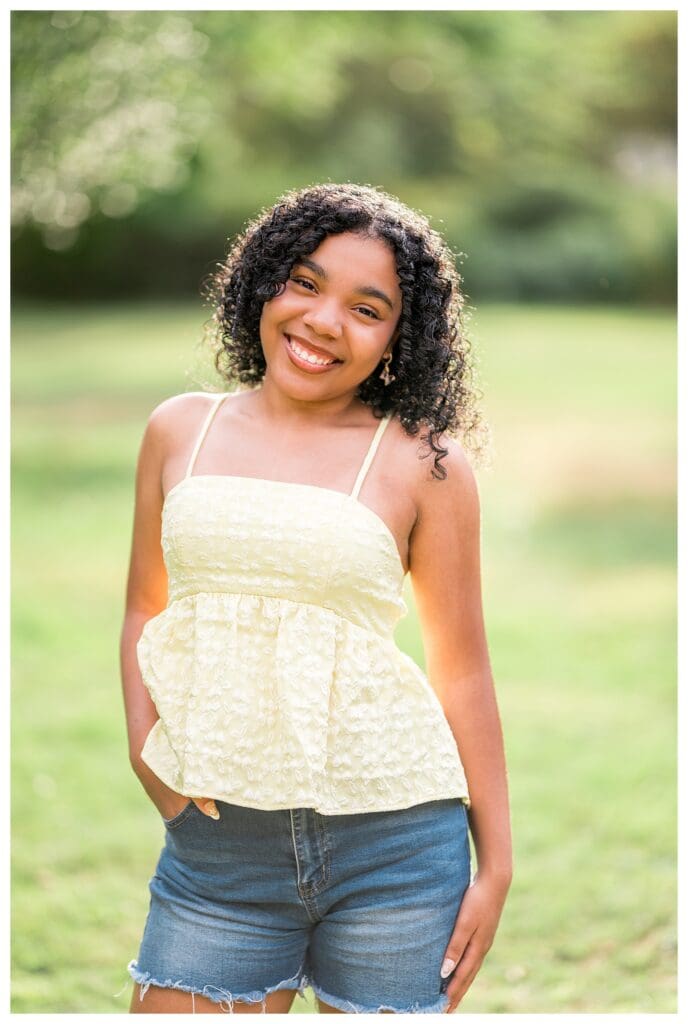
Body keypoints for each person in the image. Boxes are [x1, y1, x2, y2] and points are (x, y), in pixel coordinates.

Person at [120, 182, 512, 1014]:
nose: (324, 322)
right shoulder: (178, 430)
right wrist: (145, 751)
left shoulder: (424, 464)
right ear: (262, 283)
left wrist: (497, 864)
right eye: (305, 282)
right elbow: (143, 609)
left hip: (398, 850)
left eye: (367, 309)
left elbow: (463, 668)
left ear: (399, 339)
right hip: (220, 847)